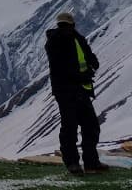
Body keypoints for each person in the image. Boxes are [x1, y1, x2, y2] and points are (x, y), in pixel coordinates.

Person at [45, 12, 109, 176]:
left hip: (80, 89)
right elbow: (60, 68)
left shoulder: (77, 38)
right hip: (66, 91)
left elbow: (87, 55)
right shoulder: (55, 42)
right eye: (63, 25)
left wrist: (92, 63)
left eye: (66, 25)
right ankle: (74, 163)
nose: (65, 28)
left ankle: (90, 162)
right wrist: (83, 74)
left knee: (90, 125)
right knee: (71, 126)